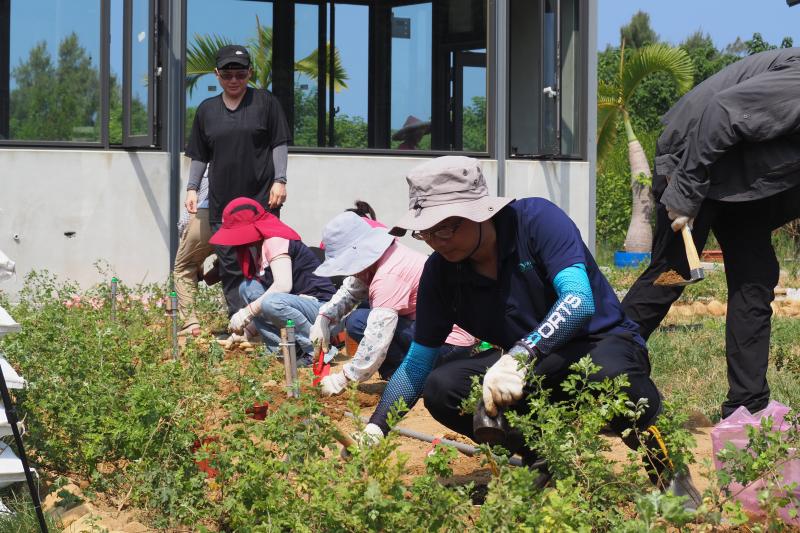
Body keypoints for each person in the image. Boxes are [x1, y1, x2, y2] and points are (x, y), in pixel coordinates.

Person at [353, 156, 699, 500]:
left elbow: (578, 300)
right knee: (443, 386)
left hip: (599, 344)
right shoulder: (440, 274)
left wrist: (521, 354)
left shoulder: (535, 222)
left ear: (479, 212)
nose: (435, 240)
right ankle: (543, 461)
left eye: (444, 227)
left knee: (608, 372)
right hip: (529, 370)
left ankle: (670, 472)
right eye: (425, 231)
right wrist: (376, 427)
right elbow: (415, 366)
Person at [622, 48, 800, 419]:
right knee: (670, 275)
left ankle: (746, 407)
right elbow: (723, 112)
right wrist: (684, 193)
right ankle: (601, 370)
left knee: (755, 279)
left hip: (741, 180)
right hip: (693, 160)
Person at [308, 211, 475, 396]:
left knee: (367, 324)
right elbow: (351, 290)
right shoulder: (381, 257)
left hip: (449, 344)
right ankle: (399, 375)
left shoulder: (389, 274)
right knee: (357, 320)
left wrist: (343, 379)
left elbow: (377, 339)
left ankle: (414, 381)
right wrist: (324, 318)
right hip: (426, 330)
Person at [185, 44, 292, 319]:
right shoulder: (206, 111)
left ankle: (269, 324)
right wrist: (192, 188)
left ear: (250, 73)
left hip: (262, 202)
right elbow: (199, 155)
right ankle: (240, 324)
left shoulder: (266, 103)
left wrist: (280, 180)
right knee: (230, 265)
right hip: (224, 205)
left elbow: (279, 144)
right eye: (227, 75)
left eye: (241, 74)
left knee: (266, 263)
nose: (234, 80)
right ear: (216, 74)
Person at [209, 197, 336, 362]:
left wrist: (246, 313)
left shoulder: (275, 239)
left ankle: (318, 351)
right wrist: (247, 331)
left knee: (271, 302)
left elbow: (282, 287)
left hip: (322, 310)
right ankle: (282, 350)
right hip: (296, 306)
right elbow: (267, 306)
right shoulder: (258, 248)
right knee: (248, 288)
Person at [173, 166, 214, 336]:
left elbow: (186, 220)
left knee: (184, 268)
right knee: (233, 266)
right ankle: (241, 322)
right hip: (237, 215)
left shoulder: (204, 168)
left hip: (205, 214)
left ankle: (191, 323)